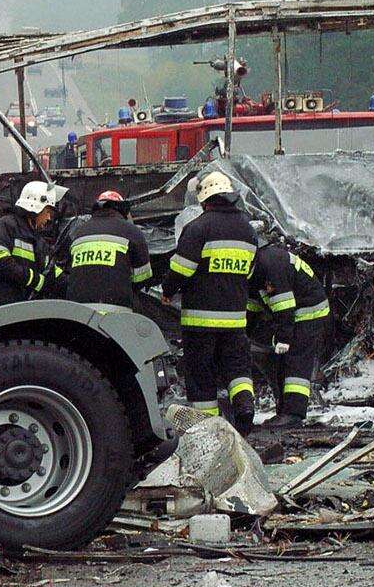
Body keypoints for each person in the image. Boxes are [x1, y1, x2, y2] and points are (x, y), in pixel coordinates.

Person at [162, 171, 259, 434]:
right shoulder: (248, 231)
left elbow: (181, 269)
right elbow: (249, 273)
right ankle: (245, 407)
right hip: (235, 320)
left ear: (205, 200)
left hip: (199, 320)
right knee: (237, 368)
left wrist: (167, 290)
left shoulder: (198, 228)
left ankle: (209, 431)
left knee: (201, 375)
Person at [249, 241, 330, 428]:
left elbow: (284, 308)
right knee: (282, 361)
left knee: (296, 359)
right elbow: (252, 307)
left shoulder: (271, 267)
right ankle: (284, 411)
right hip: (293, 312)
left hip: (309, 310)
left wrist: (284, 339)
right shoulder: (255, 269)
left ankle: (293, 415)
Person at [60, 190, 153, 309]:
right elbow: (143, 277)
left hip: (79, 312)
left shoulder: (78, 232)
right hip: (116, 312)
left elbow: (69, 272)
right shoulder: (132, 231)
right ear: (122, 210)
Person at [0, 180, 64, 308]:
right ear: (35, 208)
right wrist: (34, 280)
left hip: (19, 313)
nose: (49, 218)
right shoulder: (6, 226)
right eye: (47, 212)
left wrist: (72, 284)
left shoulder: (38, 241)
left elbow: (51, 271)